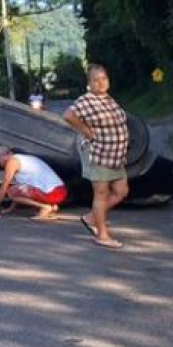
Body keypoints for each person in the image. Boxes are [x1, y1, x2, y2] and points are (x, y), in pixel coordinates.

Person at [64, 64, 129, 249]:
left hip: (115, 156)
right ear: (89, 84)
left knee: (121, 191)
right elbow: (68, 115)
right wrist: (86, 131)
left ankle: (91, 217)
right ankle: (102, 235)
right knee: (101, 193)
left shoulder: (108, 99)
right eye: (96, 80)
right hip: (98, 153)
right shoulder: (86, 100)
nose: (100, 83)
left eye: (104, 79)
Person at [0, 147, 67, 220]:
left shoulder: (12, 162)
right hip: (60, 191)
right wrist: (11, 209)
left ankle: (45, 207)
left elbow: (4, 188)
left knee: (11, 191)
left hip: (53, 193)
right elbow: (20, 189)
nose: (0, 165)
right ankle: (52, 206)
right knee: (17, 189)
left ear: (2, 156)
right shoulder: (21, 158)